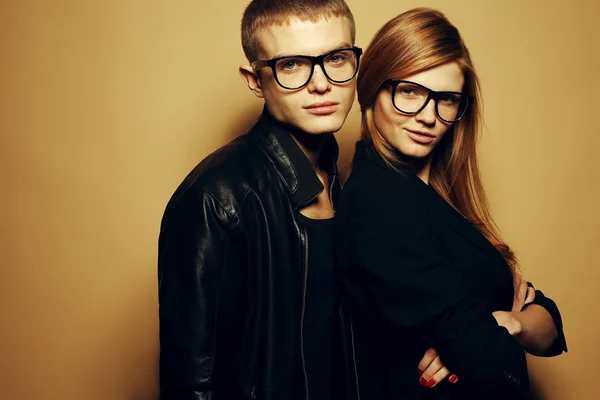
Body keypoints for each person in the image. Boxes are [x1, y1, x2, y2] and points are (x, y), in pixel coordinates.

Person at [335, 8, 567, 400]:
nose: (428, 116)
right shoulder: (379, 201)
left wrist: (508, 322)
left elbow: (551, 327)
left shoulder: (436, 195)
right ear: (372, 88)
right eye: (409, 92)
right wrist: (496, 331)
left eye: (446, 99)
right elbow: (490, 363)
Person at [157, 1, 362, 398]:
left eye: (335, 58)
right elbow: (192, 383)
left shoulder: (347, 183)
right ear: (254, 79)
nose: (320, 83)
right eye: (291, 65)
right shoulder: (216, 198)